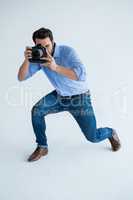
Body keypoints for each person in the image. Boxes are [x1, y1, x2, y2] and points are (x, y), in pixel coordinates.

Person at [17, 27, 121, 162]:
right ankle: (42, 146)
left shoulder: (68, 52)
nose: (45, 50)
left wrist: (55, 67)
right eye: (40, 46)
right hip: (60, 97)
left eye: (47, 46)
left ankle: (110, 132)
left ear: (53, 41)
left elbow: (81, 75)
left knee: (93, 137)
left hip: (80, 99)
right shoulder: (39, 57)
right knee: (37, 111)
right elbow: (21, 77)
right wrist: (26, 60)